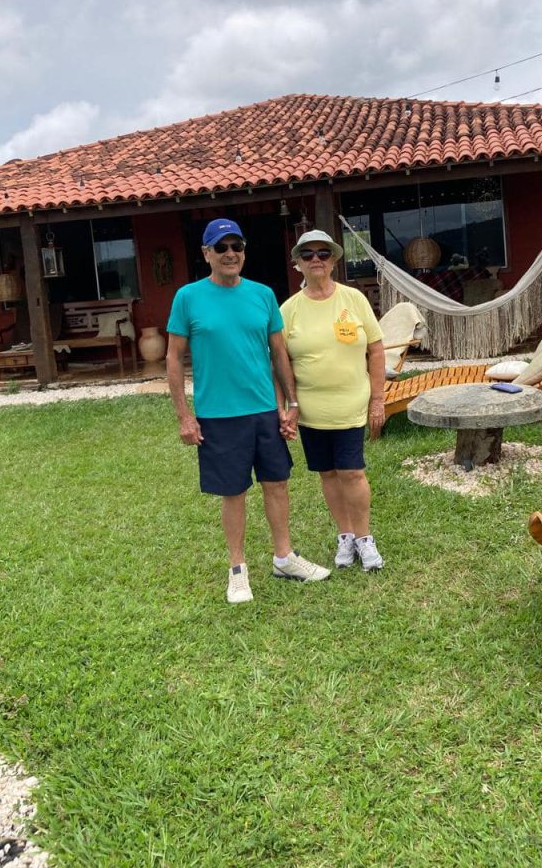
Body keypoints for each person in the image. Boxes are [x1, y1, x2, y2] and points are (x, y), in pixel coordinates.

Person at [165, 218, 331, 604]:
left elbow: (278, 352)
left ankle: (284, 557)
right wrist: (184, 415)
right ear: (206, 253)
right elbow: (173, 358)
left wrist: (290, 404)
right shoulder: (188, 297)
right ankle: (237, 569)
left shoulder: (262, 295)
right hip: (218, 415)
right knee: (233, 491)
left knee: (277, 482)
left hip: (264, 410)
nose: (230, 254)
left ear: (244, 251)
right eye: (221, 247)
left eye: (236, 246)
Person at [280, 229, 386, 572]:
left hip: (351, 405)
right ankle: (346, 535)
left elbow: (376, 349)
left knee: (352, 472)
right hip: (311, 411)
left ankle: (364, 537)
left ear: (334, 260)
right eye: (307, 254)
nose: (316, 260)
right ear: (298, 263)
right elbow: (279, 363)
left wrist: (378, 400)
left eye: (323, 253)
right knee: (327, 474)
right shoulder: (288, 310)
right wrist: (287, 407)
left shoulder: (353, 299)